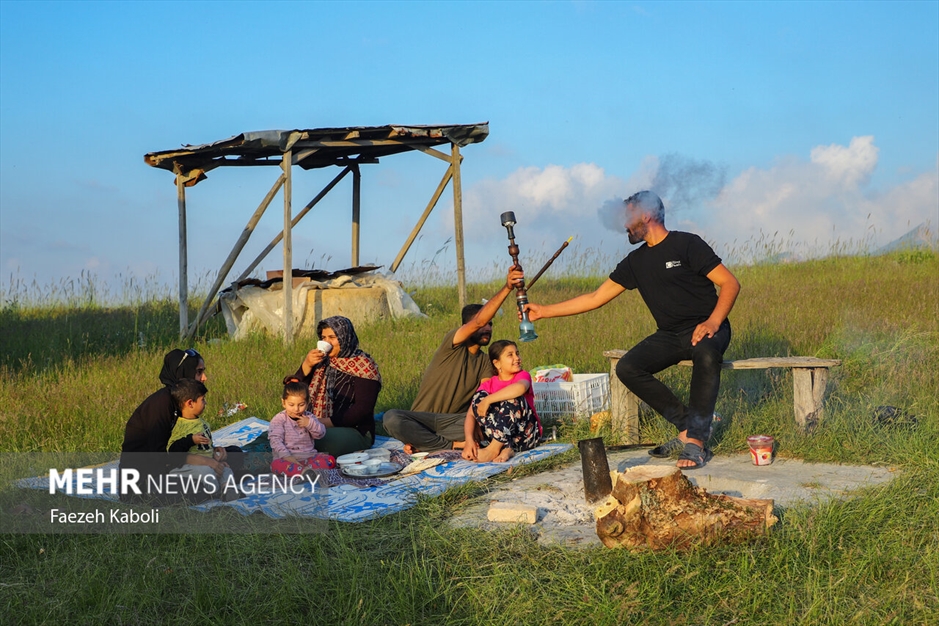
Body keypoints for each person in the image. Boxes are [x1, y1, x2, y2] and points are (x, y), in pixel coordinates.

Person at [525, 191, 740, 470]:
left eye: (627, 216)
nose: (623, 224)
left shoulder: (687, 244)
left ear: (646, 215)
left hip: (709, 326)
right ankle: (688, 425)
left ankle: (696, 442)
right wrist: (544, 311)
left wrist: (713, 321)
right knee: (627, 367)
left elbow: (730, 283)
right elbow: (594, 298)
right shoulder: (635, 262)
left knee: (706, 354)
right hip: (671, 334)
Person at [382, 265, 525, 453]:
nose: (488, 328)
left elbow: (485, 394)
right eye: (483, 325)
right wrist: (507, 287)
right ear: (468, 326)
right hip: (422, 420)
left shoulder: (484, 362)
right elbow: (479, 321)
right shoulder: (452, 344)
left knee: (491, 421)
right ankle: (450, 445)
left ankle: (426, 443)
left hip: (454, 424)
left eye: (491, 325)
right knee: (391, 418)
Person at [119, 348, 209, 501]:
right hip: (144, 479)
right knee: (202, 486)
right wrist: (204, 462)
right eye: (199, 372)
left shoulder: (180, 402)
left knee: (232, 454)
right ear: (183, 372)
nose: (204, 378)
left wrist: (213, 452)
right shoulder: (161, 404)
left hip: (171, 464)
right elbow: (158, 455)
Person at [293, 316, 382, 458]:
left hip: (353, 431)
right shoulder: (321, 362)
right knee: (277, 432)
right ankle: (248, 458)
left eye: (332, 337)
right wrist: (306, 365)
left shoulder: (363, 366)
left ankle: (264, 461)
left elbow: (362, 409)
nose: (326, 342)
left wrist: (323, 423)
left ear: (344, 338)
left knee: (301, 440)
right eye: (323, 337)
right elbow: (294, 393)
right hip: (315, 424)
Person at [462, 340, 542, 463]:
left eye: (517, 353)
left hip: (525, 436)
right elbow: (471, 413)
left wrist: (489, 400)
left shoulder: (522, 375)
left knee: (513, 398)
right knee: (479, 398)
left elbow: (520, 388)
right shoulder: (489, 384)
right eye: (510, 355)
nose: (517, 358)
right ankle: (506, 448)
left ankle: (494, 449)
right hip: (499, 436)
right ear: (497, 363)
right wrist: (469, 441)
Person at [166, 378, 240, 501]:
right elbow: (173, 450)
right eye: (202, 400)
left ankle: (228, 490)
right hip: (188, 466)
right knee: (207, 471)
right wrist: (191, 440)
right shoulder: (179, 425)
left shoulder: (203, 423)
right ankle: (212, 492)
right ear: (190, 403)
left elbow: (207, 445)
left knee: (226, 469)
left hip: (208, 462)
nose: (205, 403)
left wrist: (216, 451)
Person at [269, 376, 337, 476]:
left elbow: (321, 434)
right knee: (276, 465)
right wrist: (287, 457)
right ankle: (304, 472)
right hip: (287, 459)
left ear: (307, 403)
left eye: (301, 405)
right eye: (291, 405)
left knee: (330, 460)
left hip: (309, 457)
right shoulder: (279, 419)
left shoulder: (309, 417)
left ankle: (306, 471)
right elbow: (275, 440)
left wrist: (309, 424)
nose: (296, 409)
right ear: (283, 402)